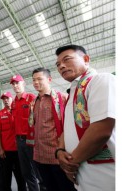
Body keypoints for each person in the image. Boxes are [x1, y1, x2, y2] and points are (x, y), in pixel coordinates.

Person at [55, 45, 115, 191]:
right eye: (58, 64)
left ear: (86, 59)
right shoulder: (72, 95)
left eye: (67, 59)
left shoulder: (101, 80)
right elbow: (67, 129)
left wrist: (69, 164)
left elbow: (101, 130)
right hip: (81, 173)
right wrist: (60, 151)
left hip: (104, 175)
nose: (61, 66)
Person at [30, 68, 76, 191]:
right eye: (34, 80)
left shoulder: (61, 98)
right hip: (40, 156)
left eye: (39, 79)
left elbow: (70, 125)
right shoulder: (34, 102)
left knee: (65, 187)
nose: (35, 82)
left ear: (49, 80)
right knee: (49, 187)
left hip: (57, 155)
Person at [10, 74, 41, 191]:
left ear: (23, 83)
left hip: (31, 140)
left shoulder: (31, 98)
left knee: (38, 170)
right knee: (26, 171)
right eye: (13, 84)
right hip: (19, 140)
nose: (15, 86)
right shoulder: (13, 102)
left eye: (17, 83)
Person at [0, 91, 26, 191]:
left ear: (12, 99)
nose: (6, 100)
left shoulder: (18, 112)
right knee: (5, 178)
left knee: (21, 177)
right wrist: (0, 149)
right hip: (6, 151)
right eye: (4, 99)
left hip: (19, 150)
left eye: (7, 98)